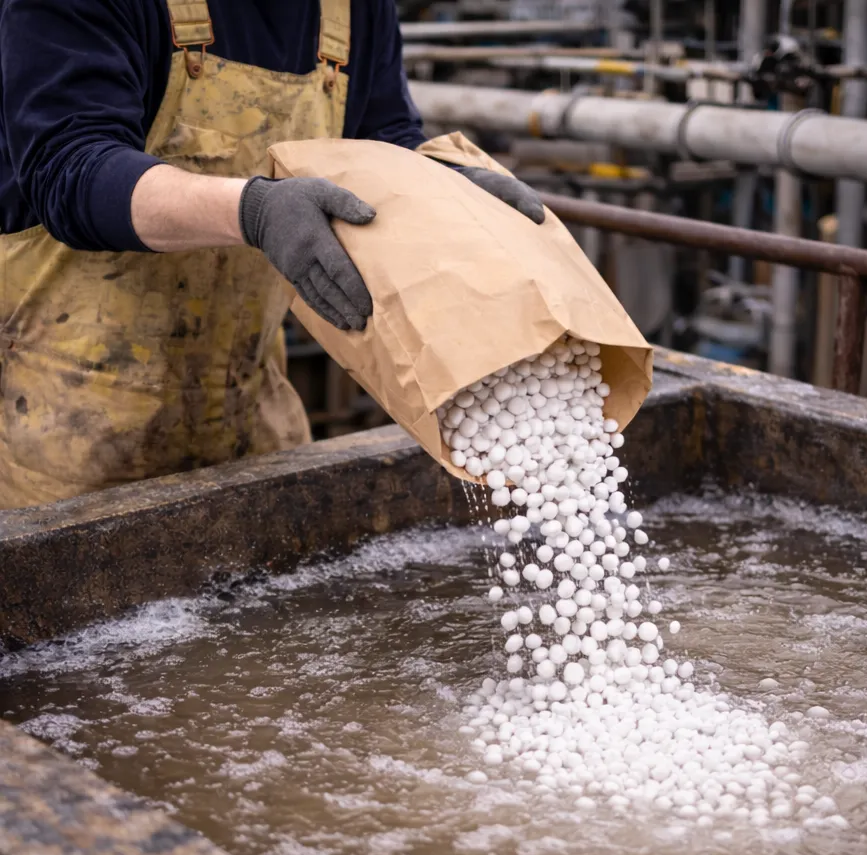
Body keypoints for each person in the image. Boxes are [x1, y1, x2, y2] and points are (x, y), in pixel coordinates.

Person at [0, 0, 543, 510]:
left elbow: (381, 146)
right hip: (56, 454)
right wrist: (253, 211)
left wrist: (443, 190)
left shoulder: (351, 9)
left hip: (245, 426)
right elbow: (71, 169)